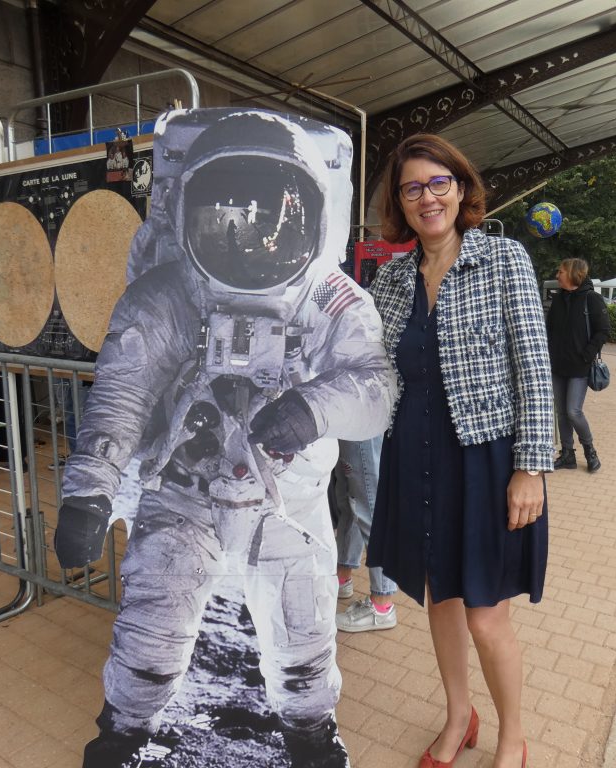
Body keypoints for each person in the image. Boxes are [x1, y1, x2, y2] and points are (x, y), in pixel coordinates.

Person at [53, 108, 395, 768]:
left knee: (302, 623)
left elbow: (374, 387)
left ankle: (306, 730)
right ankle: (124, 728)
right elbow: (122, 399)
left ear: (308, 213)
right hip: (183, 492)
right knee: (154, 620)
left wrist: (313, 409)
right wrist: (88, 495)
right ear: (189, 213)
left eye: (273, 215)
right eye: (226, 213)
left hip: (283, 502)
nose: (252, 234)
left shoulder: (329, 298)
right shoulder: (166, 296)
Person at [368, 134, 552, 768]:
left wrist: (531, 467)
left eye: (438, 182)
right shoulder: (389, 280)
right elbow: (362, 365)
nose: (427, 197)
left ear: (462, 188)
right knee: (440, 600)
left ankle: (512, 737)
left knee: (485, 617)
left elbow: (534, 366)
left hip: (485, 463)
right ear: (399, 201)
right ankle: (458, 718)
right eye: (412, 187)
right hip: (414, 458)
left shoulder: (503, 260)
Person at [545, 258, 610, 472]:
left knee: (573, 411)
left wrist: (587, 355)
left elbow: (603, 331)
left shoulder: (592, 299)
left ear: (574, 273)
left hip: (579, 367)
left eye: (561, 271)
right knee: (561, 413)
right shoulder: (558, 300)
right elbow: (549, 330)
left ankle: (590, 450)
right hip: (557, 365)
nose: (557, 275)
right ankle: (567, 454)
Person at [332, 436, 399, 632]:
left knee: (370, 504)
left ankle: (382, 604)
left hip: (361, 417)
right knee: (348, 497)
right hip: (347, 414)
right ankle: (342, 577)